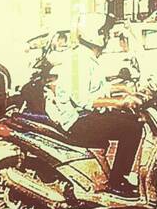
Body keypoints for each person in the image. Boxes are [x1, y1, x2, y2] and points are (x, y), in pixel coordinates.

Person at [44, 41, 143, 198]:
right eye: (104, 31)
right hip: (77, 121)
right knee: (131, 129)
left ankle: (117, 178)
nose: (107, 37)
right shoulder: (79, 60)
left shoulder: (87, 58)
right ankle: (116, 182)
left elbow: (97, 88)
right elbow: (82, 100)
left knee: (132, 121)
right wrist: (118, 102)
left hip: (84, 116)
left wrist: (124, 89)